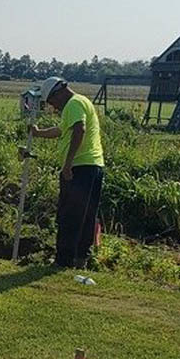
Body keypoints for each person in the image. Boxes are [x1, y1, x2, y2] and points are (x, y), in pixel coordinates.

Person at [30, 77, 105, 269]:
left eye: (52, 101)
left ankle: (63, 261)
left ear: (59, 92)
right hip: (93, 166)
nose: (53, 107)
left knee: (69, 215)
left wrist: (68, 164)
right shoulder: (81, 102)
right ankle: (80, 259)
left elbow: (79, 129)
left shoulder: (73, 104)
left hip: (79, 168)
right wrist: (38, 133)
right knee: (86, 215)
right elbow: (60, 130)